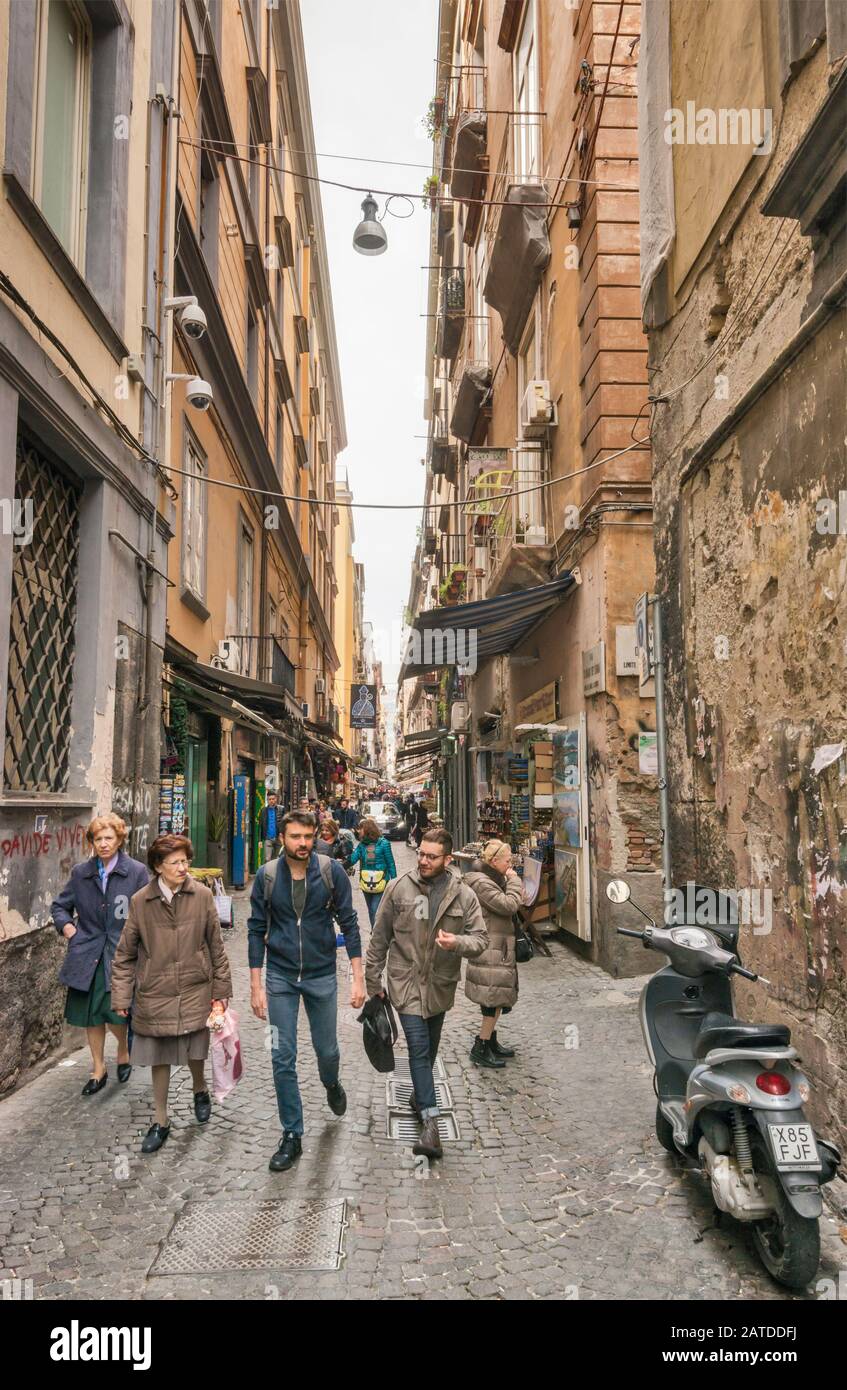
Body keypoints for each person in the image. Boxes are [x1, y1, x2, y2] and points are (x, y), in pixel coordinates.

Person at [248, 811, 365, 1174]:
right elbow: (255, 930)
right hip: (280, 977)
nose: (302, 843)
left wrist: (358, 978)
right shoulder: (266, 877)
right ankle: (292, 1134)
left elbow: (350, 922)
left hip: (320, 975)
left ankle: (331, 1082)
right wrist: (256, 985)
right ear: (282, 837)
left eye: (308, 836)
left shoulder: (331, 873)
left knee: (326, 1049)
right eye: (295, 836)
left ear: (315, 837)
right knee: (281, 1055)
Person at [365, 828, 487, 1162]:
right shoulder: (398, 888)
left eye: (431, 856)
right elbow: (379, 939)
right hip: (404, 983)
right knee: (418, 1049)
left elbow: (481, 940)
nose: (423, 860)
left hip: (440, 985)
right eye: (421, 853)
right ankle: (430, 1124)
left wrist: (457, 943)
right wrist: (372, 982)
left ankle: (420, 1097)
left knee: (429, 1050)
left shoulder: (463, 895)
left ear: (448, 859)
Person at [110, 834, 232, 1154]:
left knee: (195, 1049)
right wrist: (122, 997)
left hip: (195, 986)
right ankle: (161, 1121)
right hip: (155, 991)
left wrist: (220, 994)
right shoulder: (140, 901)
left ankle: (200, 1088)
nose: (183, 867)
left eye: (185, 860)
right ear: (158, 866)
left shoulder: (202, 895)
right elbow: (124, 955)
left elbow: (217, 948)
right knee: (159, 1057)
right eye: (175, 862)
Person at [51, 813, 149, 1097]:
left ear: (119, 840)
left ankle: (122, 1048)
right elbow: (60, 906)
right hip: (87, 954)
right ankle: (97, 1068)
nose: (103, 844)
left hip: (121, 954)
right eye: (98, 839)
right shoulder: (82, 873)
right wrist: (70, 930)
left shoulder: (136, 872)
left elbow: (147, 912)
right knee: (91, 1016)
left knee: (116, 1014)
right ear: (91, 842)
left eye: (109, 838)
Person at [463, 840, 525, 1068]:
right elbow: (508, 905)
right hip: (490, 948)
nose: (511, 865)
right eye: (508, 861)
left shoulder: (492, 879)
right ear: (494, 861)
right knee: (491, 999)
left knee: (496, 996)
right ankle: (480, 1046)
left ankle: (490, 1040)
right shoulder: (482, 882)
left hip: (498, 946)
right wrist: (514, 881)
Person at [350, 816, 397, 927]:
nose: (358, 831)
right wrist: (340, 863)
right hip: (366, 882)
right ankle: (375, 932)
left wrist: (394, 882)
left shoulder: (384, 843)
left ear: (367, 830)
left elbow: (390, 863)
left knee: (374, 909)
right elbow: (353, 859)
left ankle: (377, 934)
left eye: (360, 829)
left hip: (381, 881)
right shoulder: (362, 845)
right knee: (371, 910)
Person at [258, 791, 281, 862]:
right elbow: (260, 825)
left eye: (273, 799)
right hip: (268, 838)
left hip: (278, 838)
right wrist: (259, 840)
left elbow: (284, 823)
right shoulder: (263, 810)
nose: (271, 801)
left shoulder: (281, 809)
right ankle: (267, 873)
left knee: (276, 859)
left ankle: (274, 873)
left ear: (276, 799)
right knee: (267, 859)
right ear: (267, 800)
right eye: (269, 799)